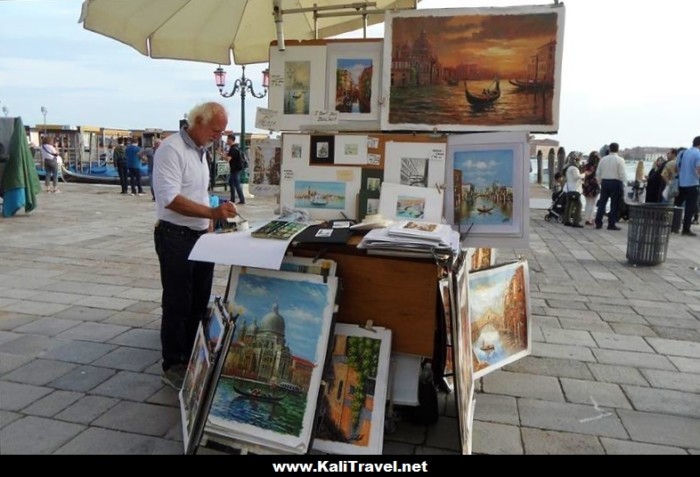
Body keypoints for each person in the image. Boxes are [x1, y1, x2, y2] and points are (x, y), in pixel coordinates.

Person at [152, 102, 238, 390]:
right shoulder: (171, 149)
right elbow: (170, 198)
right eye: (216, 130)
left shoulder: (200, 152)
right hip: (176, 236)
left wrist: (212, 218)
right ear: (199, 122)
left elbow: (196, 193)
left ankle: (191, 355)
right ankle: (172, 363)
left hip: (200, 236)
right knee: (178, 302)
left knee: (199, 301)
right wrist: (211, 214)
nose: (219, 135)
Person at [594, 142, 627, 231]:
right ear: (618, 149)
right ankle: (611, 223)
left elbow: (598, 173)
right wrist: (625, 184)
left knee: (602, 203)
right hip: (616, 182)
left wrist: (600, 182)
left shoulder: (603, 159)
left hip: (605, 182)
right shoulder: (620, 160)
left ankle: (598, 222)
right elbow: (622, 173)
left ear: (609, 149)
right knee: (614, 204)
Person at [675, 136, 700, 236]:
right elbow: (699, 169)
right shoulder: (698, 153)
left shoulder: (684, 152)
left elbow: (677, 167)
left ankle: (674, 225)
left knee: (677, 205)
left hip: (682, 183)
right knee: (690, 207)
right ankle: (686, 229)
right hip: (692, 183)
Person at [563, 152, 584, 228]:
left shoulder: (569, 167)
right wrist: (584, 174)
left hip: (569, 189)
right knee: (578, 205)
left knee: (569, 205)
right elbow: (576, 177)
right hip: (574, 189)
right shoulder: (574, 168)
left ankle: (567, 220)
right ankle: (576, 222)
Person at [582, 151, 601, 225]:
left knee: (587, 203)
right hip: (594, 185)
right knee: (593, 203)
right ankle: (590, 219)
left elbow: (584, 174)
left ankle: (587, 218)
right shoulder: (597, 166)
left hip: (586, 185)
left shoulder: (586, 165)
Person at [226, 134, 246, 204]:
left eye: (227, 139)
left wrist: (221, 154)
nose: (226, 141)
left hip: (235, 169)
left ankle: (242, 199)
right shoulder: (237, 147)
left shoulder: (233, 149)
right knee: (231, 183)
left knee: (236, 184)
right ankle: (232, 199)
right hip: (236, 168)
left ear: (231, 140)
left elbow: (228, 159)